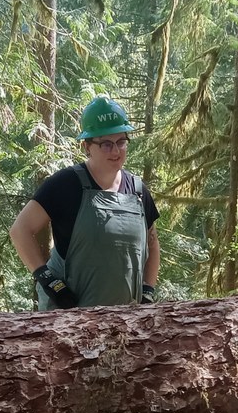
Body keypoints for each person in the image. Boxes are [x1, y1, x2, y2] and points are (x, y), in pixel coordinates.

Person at [10, 95, 161, 310]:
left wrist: (148, 290)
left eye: (121, 142)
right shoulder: (64, 185)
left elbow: (152, 244)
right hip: (67, 320)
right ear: (87, 146)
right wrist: (49, 282)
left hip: (125, 319)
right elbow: (20, 230)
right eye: (106, 144)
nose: (116, 151)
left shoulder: (137, 191)